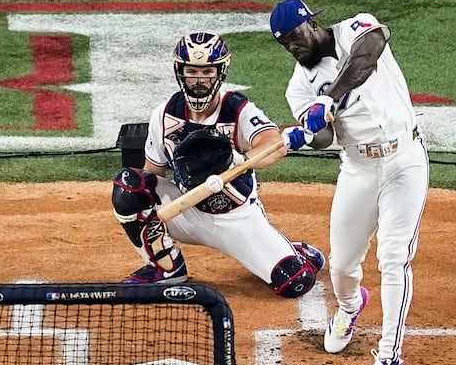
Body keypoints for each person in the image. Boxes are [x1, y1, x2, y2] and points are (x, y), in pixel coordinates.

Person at [270, 0, 430, 365]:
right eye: (284, 44)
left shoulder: (357, 27)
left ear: (312, 23)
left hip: (404, 160)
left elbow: (367, 56)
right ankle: (349, 306)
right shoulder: (299, 85)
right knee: (341, 266)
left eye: (295, 37)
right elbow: (325, 140)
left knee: (394, 258)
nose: (293, 47)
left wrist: (329, 99)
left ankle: (390, 361)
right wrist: (306, 132)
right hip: (358, 169)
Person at [110, 31, 324, 298]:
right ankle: (166, 267)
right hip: (186, 210)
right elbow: (151, 173)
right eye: (192, 71)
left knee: (295, 282)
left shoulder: (238, 109)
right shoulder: (164, 114)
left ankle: (292, 251)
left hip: (236, 219)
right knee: (129, 186)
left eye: (207, 72)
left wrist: (239, 160)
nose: (199, 81)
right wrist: (143, 217)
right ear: (180, 71)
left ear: (220, 72)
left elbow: (271, 143)